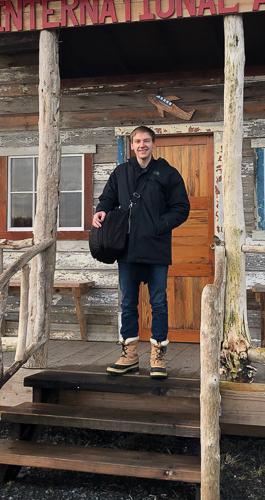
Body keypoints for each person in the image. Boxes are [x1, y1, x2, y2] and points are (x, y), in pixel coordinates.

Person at [93, 126, 190, 379]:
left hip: (157, 249)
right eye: (137, 141)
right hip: (127, 250)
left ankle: (158, 357)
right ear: (132, 145)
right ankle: (130, 356)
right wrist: (101, 210)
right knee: (128, 304)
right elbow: (107, 198)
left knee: (158, 303)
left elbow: (181, 208)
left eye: (146, 141)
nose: (142, 145)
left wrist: (159, 225)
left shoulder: (168, 173)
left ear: (154, 144)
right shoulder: (121, 172)